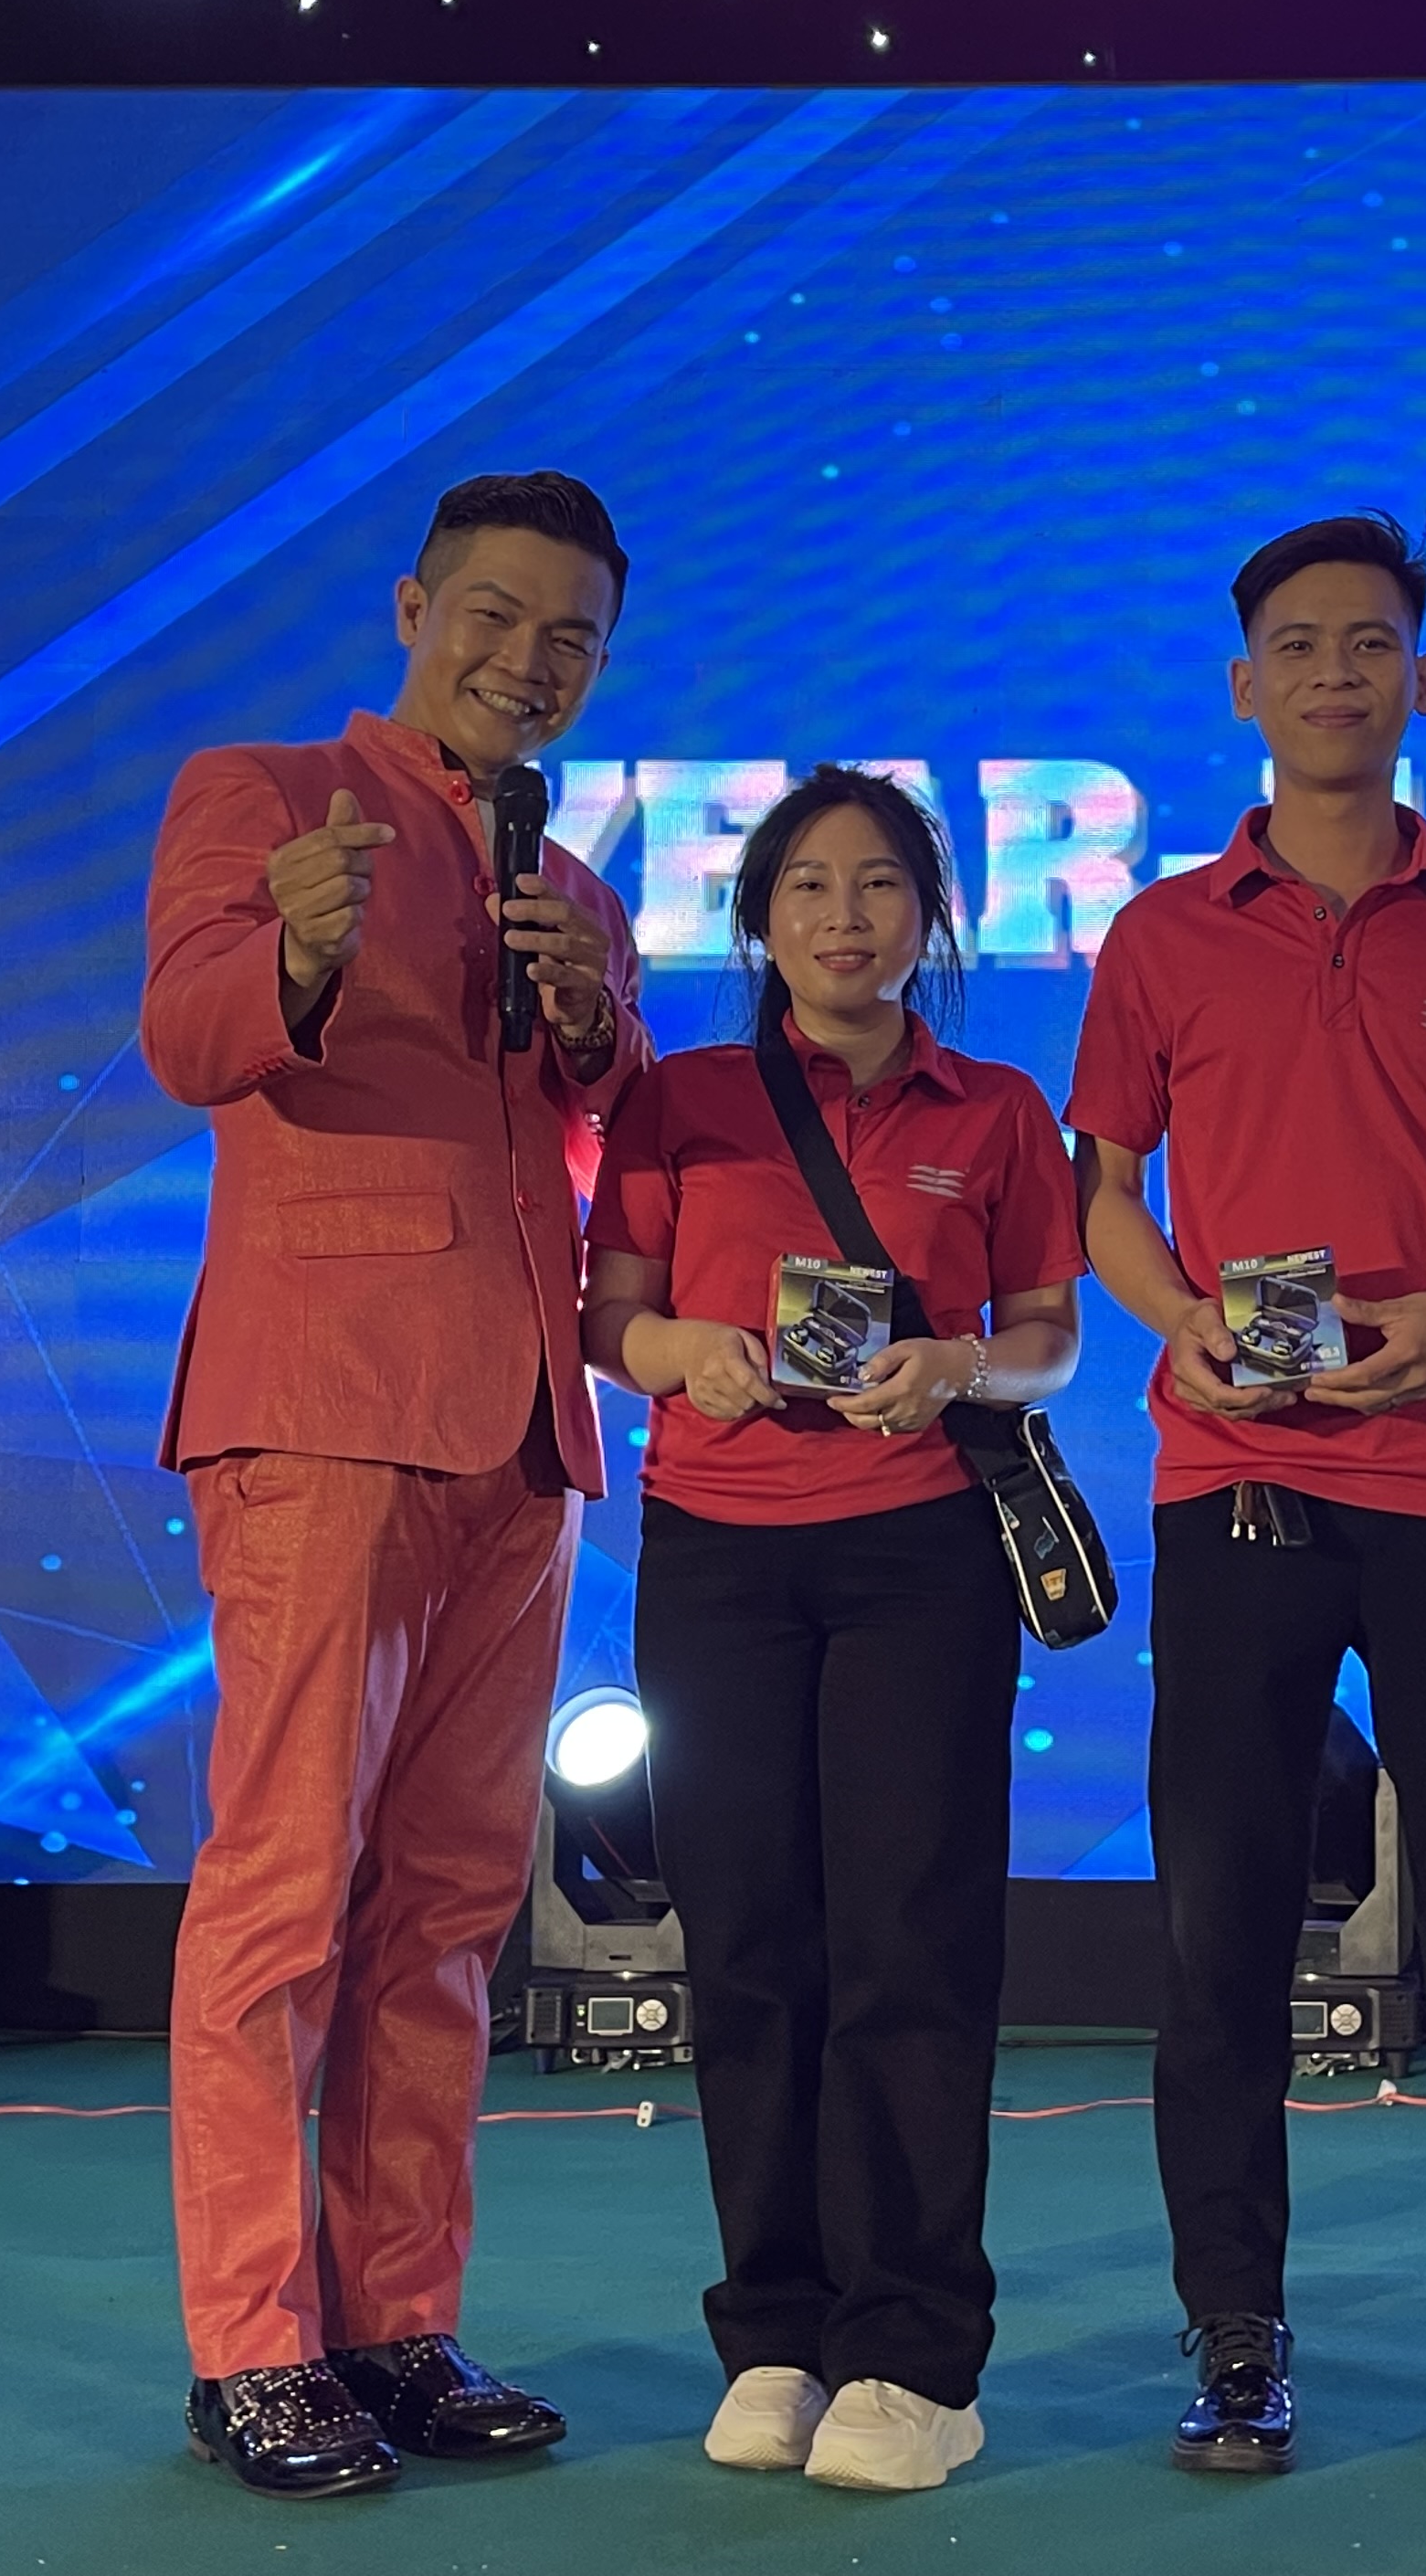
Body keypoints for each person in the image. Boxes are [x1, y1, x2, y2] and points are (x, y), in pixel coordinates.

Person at [1068, 512, 1426, 2478]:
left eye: (1369, 644)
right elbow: (1106, 1194)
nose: (1333, 674)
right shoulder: (1159, 936)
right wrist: (1180, 1328)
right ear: (1245, 687)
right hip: (1238, 1474)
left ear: (1423, 681)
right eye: (1297, 646)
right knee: (1222, 1927)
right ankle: (1235, 2330)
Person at [140, 471, 649, 2500]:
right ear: (413, 605)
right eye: (496, 616)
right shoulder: (266, 794)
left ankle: (397, 2319)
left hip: (526, 1431)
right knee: (284, 1888)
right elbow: (187, 1037)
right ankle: (254, 2345)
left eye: (572, 639)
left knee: (446, 1910)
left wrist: (596, 1021)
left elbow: (598, 1139)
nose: (530, 662)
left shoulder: (575, 884)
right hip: (326, 1404)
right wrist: (298, 945)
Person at [584, 765, 1084, 2496]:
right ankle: (777, 2336)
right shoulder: (682, 1099)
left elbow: (1049, 1337)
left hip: (919, 1558)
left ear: (930, 918)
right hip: (714, 1559)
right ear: (757, 918)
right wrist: (685, 1356)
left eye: (881, 885)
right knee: (746, 1951)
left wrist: (960, 1363)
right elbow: (610, 1313)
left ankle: (915, 2354)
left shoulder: (997, 1109)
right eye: (808, 885)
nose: (845, 916)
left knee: (909, 1948)